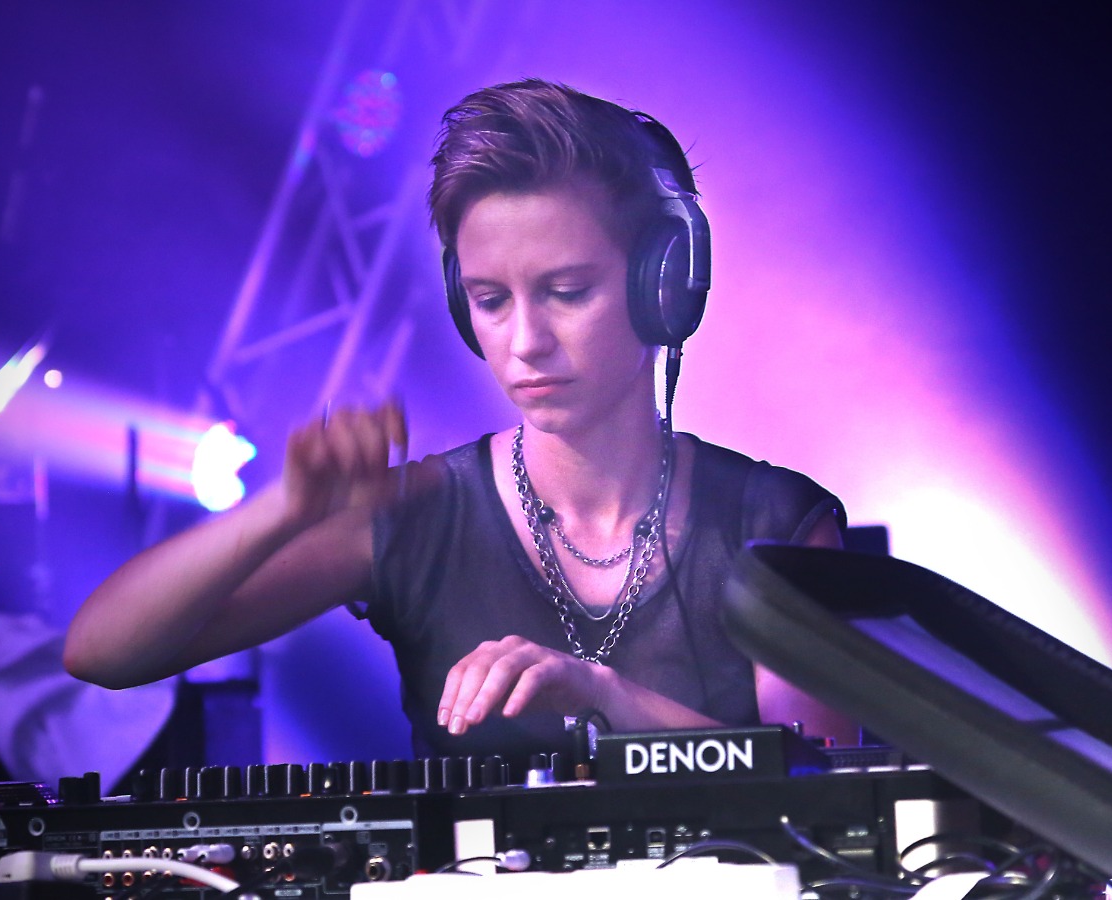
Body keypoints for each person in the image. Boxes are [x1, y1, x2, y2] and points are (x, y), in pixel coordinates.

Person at [64, 79, 855, 762]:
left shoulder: (775, 524)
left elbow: (823, 787)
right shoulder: (416, 512)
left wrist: (604, 697)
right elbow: (103, 653)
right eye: (490, 301)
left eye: (568, 291)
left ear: (664, 284)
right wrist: (284, 510)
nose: (525, 342)